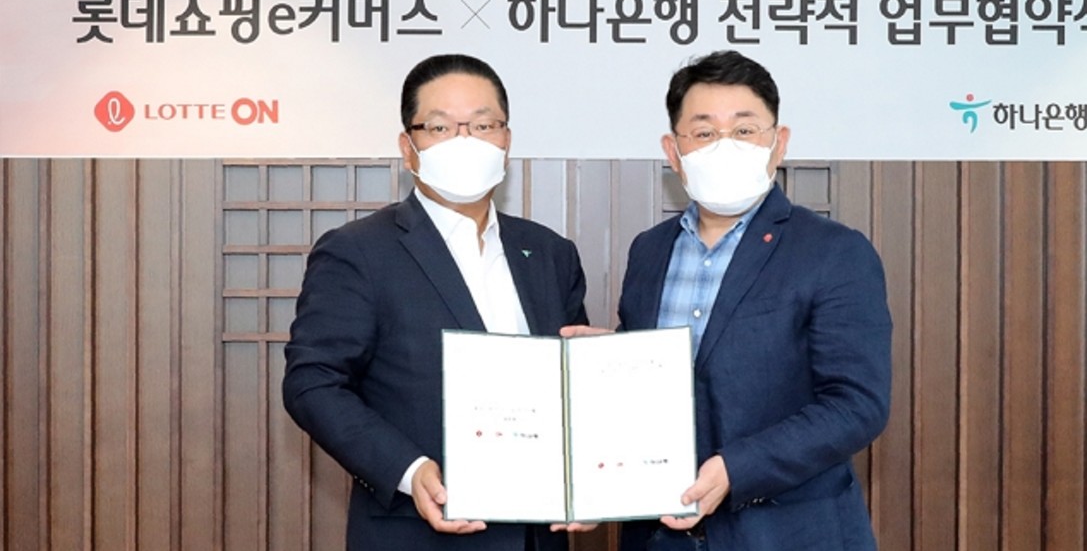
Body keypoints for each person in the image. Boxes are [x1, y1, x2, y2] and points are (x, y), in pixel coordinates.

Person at [282, 53, 589, 551]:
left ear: (506, 141)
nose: (465, 141)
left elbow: (574, 390)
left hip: (538, 537)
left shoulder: (550, 253)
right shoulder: (359, 251)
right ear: (409, 148)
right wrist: (409, 469)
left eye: (483, 125)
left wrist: (592, 480)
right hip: (417, 532)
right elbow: (313, 383)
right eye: (441, 127)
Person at [595, 50, 892, 550]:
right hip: (660, 536)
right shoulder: (649, 251)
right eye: (704, 132)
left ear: (779, 143)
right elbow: (652, 376)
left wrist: (737, 468)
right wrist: (601, 363)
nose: (724, 146)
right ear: (673, 151)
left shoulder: (834, 252)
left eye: (744, 130)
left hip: (788, 535)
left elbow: (857, 404)